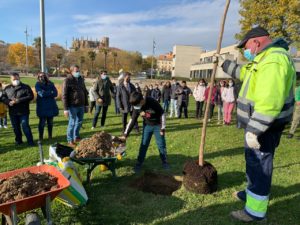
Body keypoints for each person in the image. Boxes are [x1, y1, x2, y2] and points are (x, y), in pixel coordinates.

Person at [218, 27, 296, 222]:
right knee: (253, 162)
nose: (245, 50)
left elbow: (270, 100)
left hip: (264, 127)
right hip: (259, 125)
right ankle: (251, 192)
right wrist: (223, 64)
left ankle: (255, 211)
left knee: (259, 164)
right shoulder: (262, 59)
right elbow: (245, 73)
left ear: (256, 42)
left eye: (245, 46)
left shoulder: (273, 60)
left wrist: (254, 130)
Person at [122, 91, 169, 173]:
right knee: (144, 144)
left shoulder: (152, 101)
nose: (137, 108)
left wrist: (162, 128)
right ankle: (139, 162)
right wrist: (125, 134)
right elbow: (132, 120)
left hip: (158, 125)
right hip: (147, 126)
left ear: (141, 100)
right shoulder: (137, 106)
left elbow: (162, 114)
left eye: (138, 105)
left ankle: (164, 161)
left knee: (161, 144)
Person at [1, 73, 34, 145]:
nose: (16, 80)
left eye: (17, 79)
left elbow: (30, 96)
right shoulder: (7, 88)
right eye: (14, 79)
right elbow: (3, 97)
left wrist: (19, 100)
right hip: (13, 111)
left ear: (19, 78)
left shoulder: (26, 87)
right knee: (15, 127)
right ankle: (18, 141)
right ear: (11, 79)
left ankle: (30, 141)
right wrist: (8, 102)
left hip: (24, 111)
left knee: (25, 126)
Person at [62, 65, 88, 147]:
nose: (78, 72)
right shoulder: (67, 80)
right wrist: (65, 109)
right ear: (71, 71)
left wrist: (86, 104)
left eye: (78, 71)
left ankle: (76, 136)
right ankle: (70, 140)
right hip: (72, 106)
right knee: (72, 123)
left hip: (81, 105)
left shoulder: (81, 79)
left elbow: (84, 92)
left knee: (79, 122)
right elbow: (64, 95)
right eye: (76, 71)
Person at [35, 72, 59, 140]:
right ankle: (41, 137)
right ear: (38, 77)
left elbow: (55, 93)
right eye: (40, 76)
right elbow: (41, 94)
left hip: (51, 106)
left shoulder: (51, 83)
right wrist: (50, 92)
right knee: (42, 123)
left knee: (50, 123)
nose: (42, 77)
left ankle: (50, 136)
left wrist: (46, 92)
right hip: (42, 106)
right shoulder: (38, 84)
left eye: (44, 76)